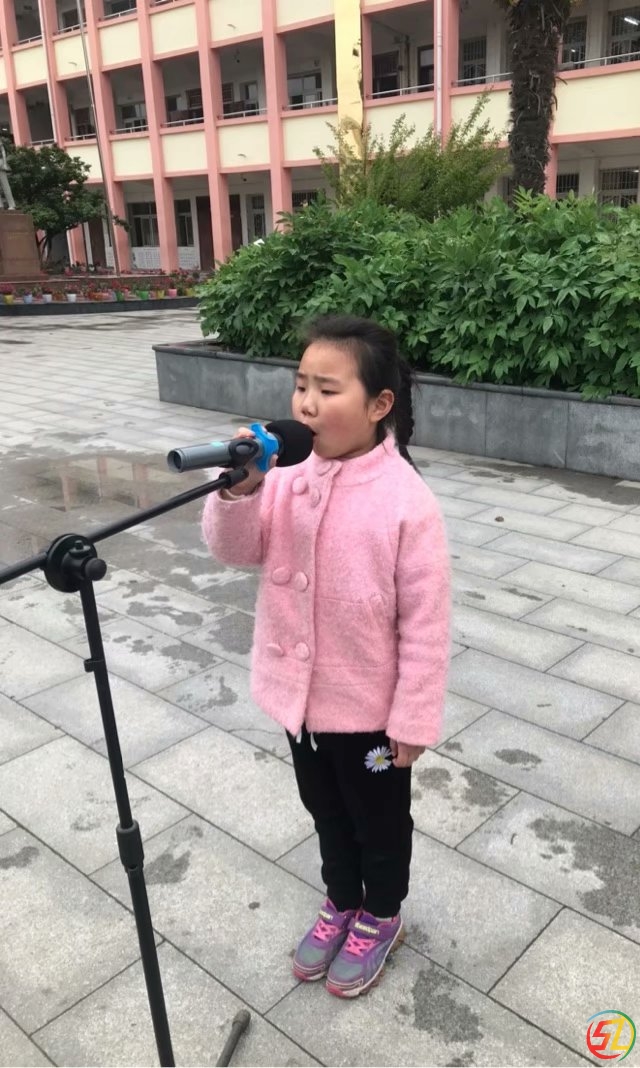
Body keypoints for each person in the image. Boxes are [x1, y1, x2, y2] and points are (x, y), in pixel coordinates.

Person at [202, 314, 451, 998]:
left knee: (379, 820)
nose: (307, 404)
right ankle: (342, 899)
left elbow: (427, 623)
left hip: (370, 714)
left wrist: (413, 717)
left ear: (379, 404)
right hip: (301, 702)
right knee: (325, 809)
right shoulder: (284, 474)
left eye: (328, 389)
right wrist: (240, 488)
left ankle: (382, 913)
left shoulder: (407, 502)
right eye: (301, 385)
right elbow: (236, 550)